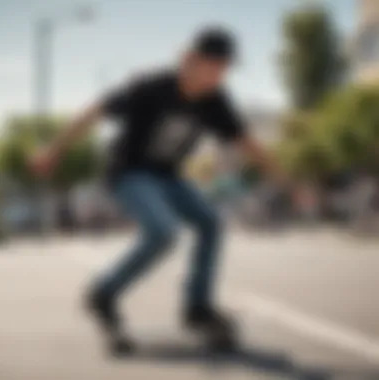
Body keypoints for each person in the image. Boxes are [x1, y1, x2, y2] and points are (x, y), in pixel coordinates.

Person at [31, 26, 302, 354]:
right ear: (189, 60)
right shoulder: (150, 87)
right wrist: (54, 149)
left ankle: (196, 308)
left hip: (170, 176)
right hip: (129, 173)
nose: (218, 76)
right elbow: (95, 111)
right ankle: (103, 294)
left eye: (225, 69)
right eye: (213, 67)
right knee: (163, 232)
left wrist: (288, 182)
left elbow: (248, 144)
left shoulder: (216, 101)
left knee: (210, 222)